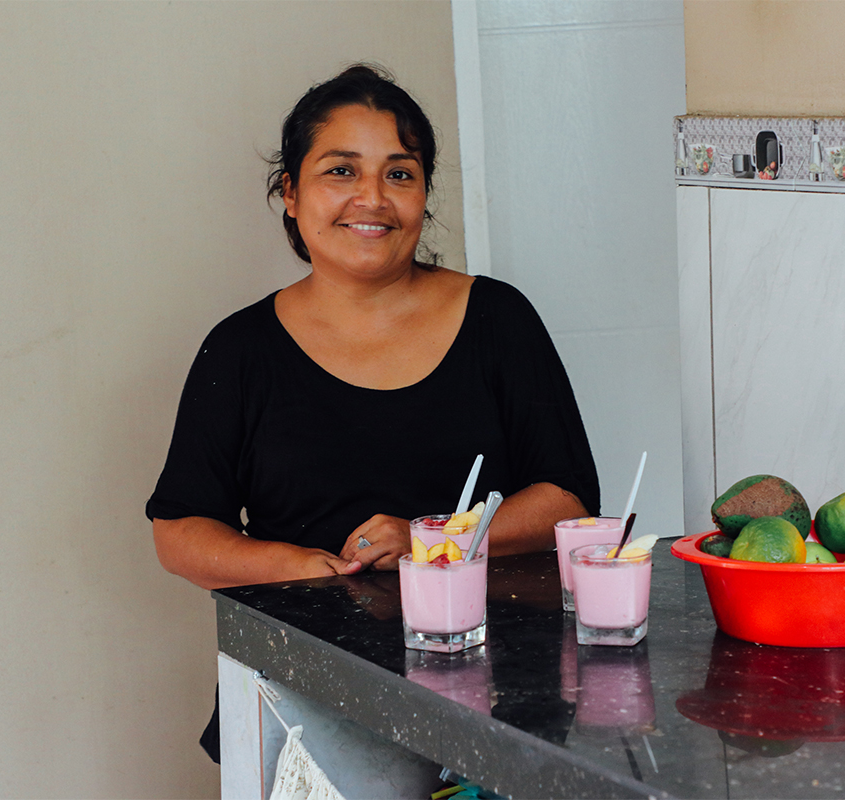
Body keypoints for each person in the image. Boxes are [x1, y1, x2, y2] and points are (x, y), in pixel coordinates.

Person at [147, 64, 600, 758]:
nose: (372, 198)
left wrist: (432, 539)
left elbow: (567, 501)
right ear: (290, 195)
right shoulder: (240, 350)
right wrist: (295, 566)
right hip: (303, 691)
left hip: (499, 694)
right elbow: (180, 533)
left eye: (399, 173)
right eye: (340, 171)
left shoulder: (498, 319)